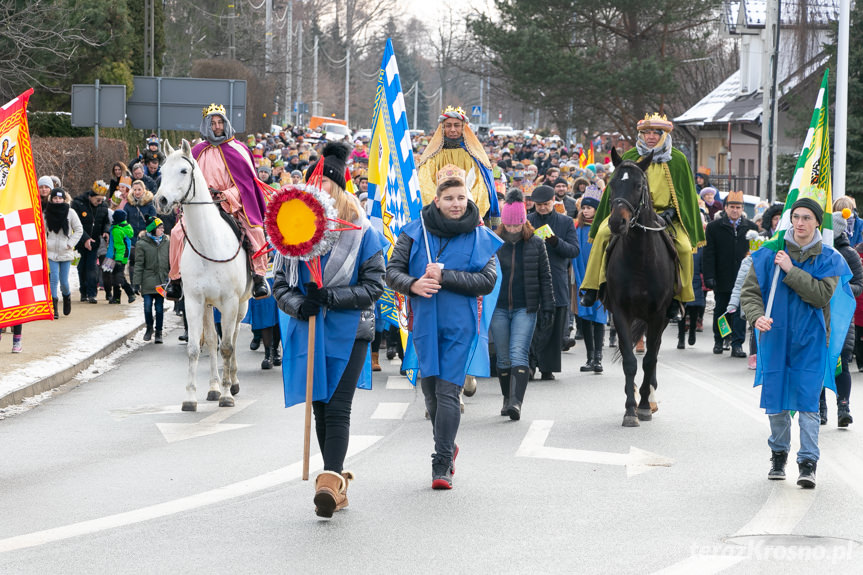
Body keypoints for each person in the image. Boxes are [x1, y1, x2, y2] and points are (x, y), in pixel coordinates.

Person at [274, 143, 385, 517]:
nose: (316, 191)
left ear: (338, 188)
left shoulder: (362, 231)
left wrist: (331, 297)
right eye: (312, 185)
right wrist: (299, 304)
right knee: (320, 405)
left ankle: (329, 480)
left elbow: (374, 286)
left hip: (351, 328)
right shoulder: (291, 231)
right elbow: (279, 285)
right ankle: (335, 482)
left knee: (337, 406)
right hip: (309, 325)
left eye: (324, 185)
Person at [386, 164, 501, 490]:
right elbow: (391, 271)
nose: (455, 203)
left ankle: (441, 463)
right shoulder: (414, 231)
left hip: (460, 325)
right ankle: (449, 446)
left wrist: (445, 276)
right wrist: (413, 284)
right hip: (424, 323)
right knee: (431, 393)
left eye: (461, 197)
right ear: (437, 200)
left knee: (448, 392)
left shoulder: (481, 237)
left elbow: (487, 281)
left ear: (468, 198)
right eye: (449, 198)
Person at [740, 198, 853, 488]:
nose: (800, 223)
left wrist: (791, 270)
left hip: (812, 341)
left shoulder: (828, 259)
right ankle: (778, 455)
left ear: (817, 222)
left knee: (808, 405)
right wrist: (756, 317)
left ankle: (808, 463)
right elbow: (751, 294)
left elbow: (820, 296)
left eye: (807, 218)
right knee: (776, 403)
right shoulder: (768, 255)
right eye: (796, 217)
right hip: (776, 339)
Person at [580, 113, 704, 320]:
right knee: (602, 234)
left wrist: (672, 211)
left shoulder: (678, 160)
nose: (651, 137)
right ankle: (592, 287)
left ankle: (678, 298)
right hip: (632, 212)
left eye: (656, 133)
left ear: (663, 134)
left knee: (683, 247)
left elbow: (684, 195)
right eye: (646, 133)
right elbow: (617, 189)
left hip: (667, 217)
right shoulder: (629, 157)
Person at [166, 103, 271, 301]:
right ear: (206, 125)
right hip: (201, 206)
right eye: (212, 123)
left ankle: (259, 277)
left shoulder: (239, 150)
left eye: (219, 122)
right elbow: (187, 180)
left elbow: (246, 184)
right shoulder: (196, 151)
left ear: (226, 123)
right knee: (177, 233)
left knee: (255, 231)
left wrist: (227, 195)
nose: (216, 126)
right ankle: (175, 280)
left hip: (230, 204)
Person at [492, 189, 554, 420]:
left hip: (525, 308)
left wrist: (548, 306)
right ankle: (506, 398)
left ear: (523, 222)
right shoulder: (495, 243)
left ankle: (516, 403)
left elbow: (545, 277)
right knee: (503, 357)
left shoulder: (536, 244)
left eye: (517, 225)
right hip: (498, 308)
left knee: (519, 353)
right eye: (508, 225)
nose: (513, 229)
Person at [527, 184, 579, 380]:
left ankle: (547, 366)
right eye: (538, 205)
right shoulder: (528, 221)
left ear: (553, 202)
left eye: (546, 204)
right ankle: (530, 364)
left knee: (553, 324)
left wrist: (555, 241)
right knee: (532, 324)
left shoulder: (565, 222)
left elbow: (574, 250)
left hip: (557, 278)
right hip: (532, 277)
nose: (542, 208)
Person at [416, 106, 500, 223]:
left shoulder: (472, 155)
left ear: (463, 127)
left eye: (457, 125)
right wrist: (441, 208)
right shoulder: (432, 157)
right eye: (448, 125)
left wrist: (467, 209)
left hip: (468, 216)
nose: (453, 129)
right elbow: (425, 185)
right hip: (439, 216)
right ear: (443, 128)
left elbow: (480, 187)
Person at [819, 208, 863, 427]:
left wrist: (839, 287)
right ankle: (820, 407)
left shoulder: (849, 254)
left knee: (841, 361)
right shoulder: (817, 251)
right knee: (818, 361)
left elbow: (859, 285)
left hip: (842, 318)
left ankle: (843, 406)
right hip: (818, 316)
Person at [702, 190, 759, 357]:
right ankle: (719, 340)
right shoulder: (714, 227)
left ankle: (737, 344)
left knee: (741, 312)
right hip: (722, 276)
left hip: (743, 279)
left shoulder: (751, 228)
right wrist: (709, 276)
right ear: (725, 208)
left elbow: (756, 254)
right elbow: (709, 253)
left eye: (738, 207)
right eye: (732, 207)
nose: (735, 210)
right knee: (721, 310)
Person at [573, 185, 607, 371]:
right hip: (582, 277)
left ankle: (598, 358)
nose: (585, 211)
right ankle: (589, 357)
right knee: (585, 317)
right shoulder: (578, 228)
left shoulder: (602, 228)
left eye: (589, 208)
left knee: (599, 317)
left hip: (598, 278)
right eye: (583, 208)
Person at [44, 188, 83, 318]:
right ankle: (54, 308)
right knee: (54, 279)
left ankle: (67, 297)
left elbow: (78, 230)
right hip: (51, 252)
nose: (58, 201)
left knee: (64, 281)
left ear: (64, 199)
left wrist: (70, 243)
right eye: (55, 198)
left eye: (60, 198)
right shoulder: (46, 213)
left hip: (65, 251)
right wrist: (46, 243)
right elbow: (42, 231)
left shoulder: (70, 212)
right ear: (52, 199)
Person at [71, 184, 111, 304]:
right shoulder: (78, 204)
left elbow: (106, 222)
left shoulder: (103, 206)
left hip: (95, 241)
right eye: (97, 200)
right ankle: (83, 292)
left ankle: (92, 293)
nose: (99, 202)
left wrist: (106, 231)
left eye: (101, 200)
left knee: (92, 267)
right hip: (81, 241)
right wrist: (85, 239)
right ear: (90, 197)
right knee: (81, 267)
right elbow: (76, 225)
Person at [134, 216, 170, 343]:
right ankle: (149, 328)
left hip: (161, 280)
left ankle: (158, 332)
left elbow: (171, 260)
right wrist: (136, 283)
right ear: (153, 229)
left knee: (159, 307)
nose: (162, 230)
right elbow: (138, 264)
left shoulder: (167, 242)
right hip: (147, 279)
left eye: (162, 227)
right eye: (159, 228)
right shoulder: (142, 244)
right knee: (147, 306)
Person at [105, 209, 136, 305]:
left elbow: (120, 247)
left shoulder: (117, 230)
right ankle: (116, 298)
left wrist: (118, 260)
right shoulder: (123, 227)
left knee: (119, 277)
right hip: (116, 256)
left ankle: (130, 293)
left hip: (116, 257)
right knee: (114, 277)